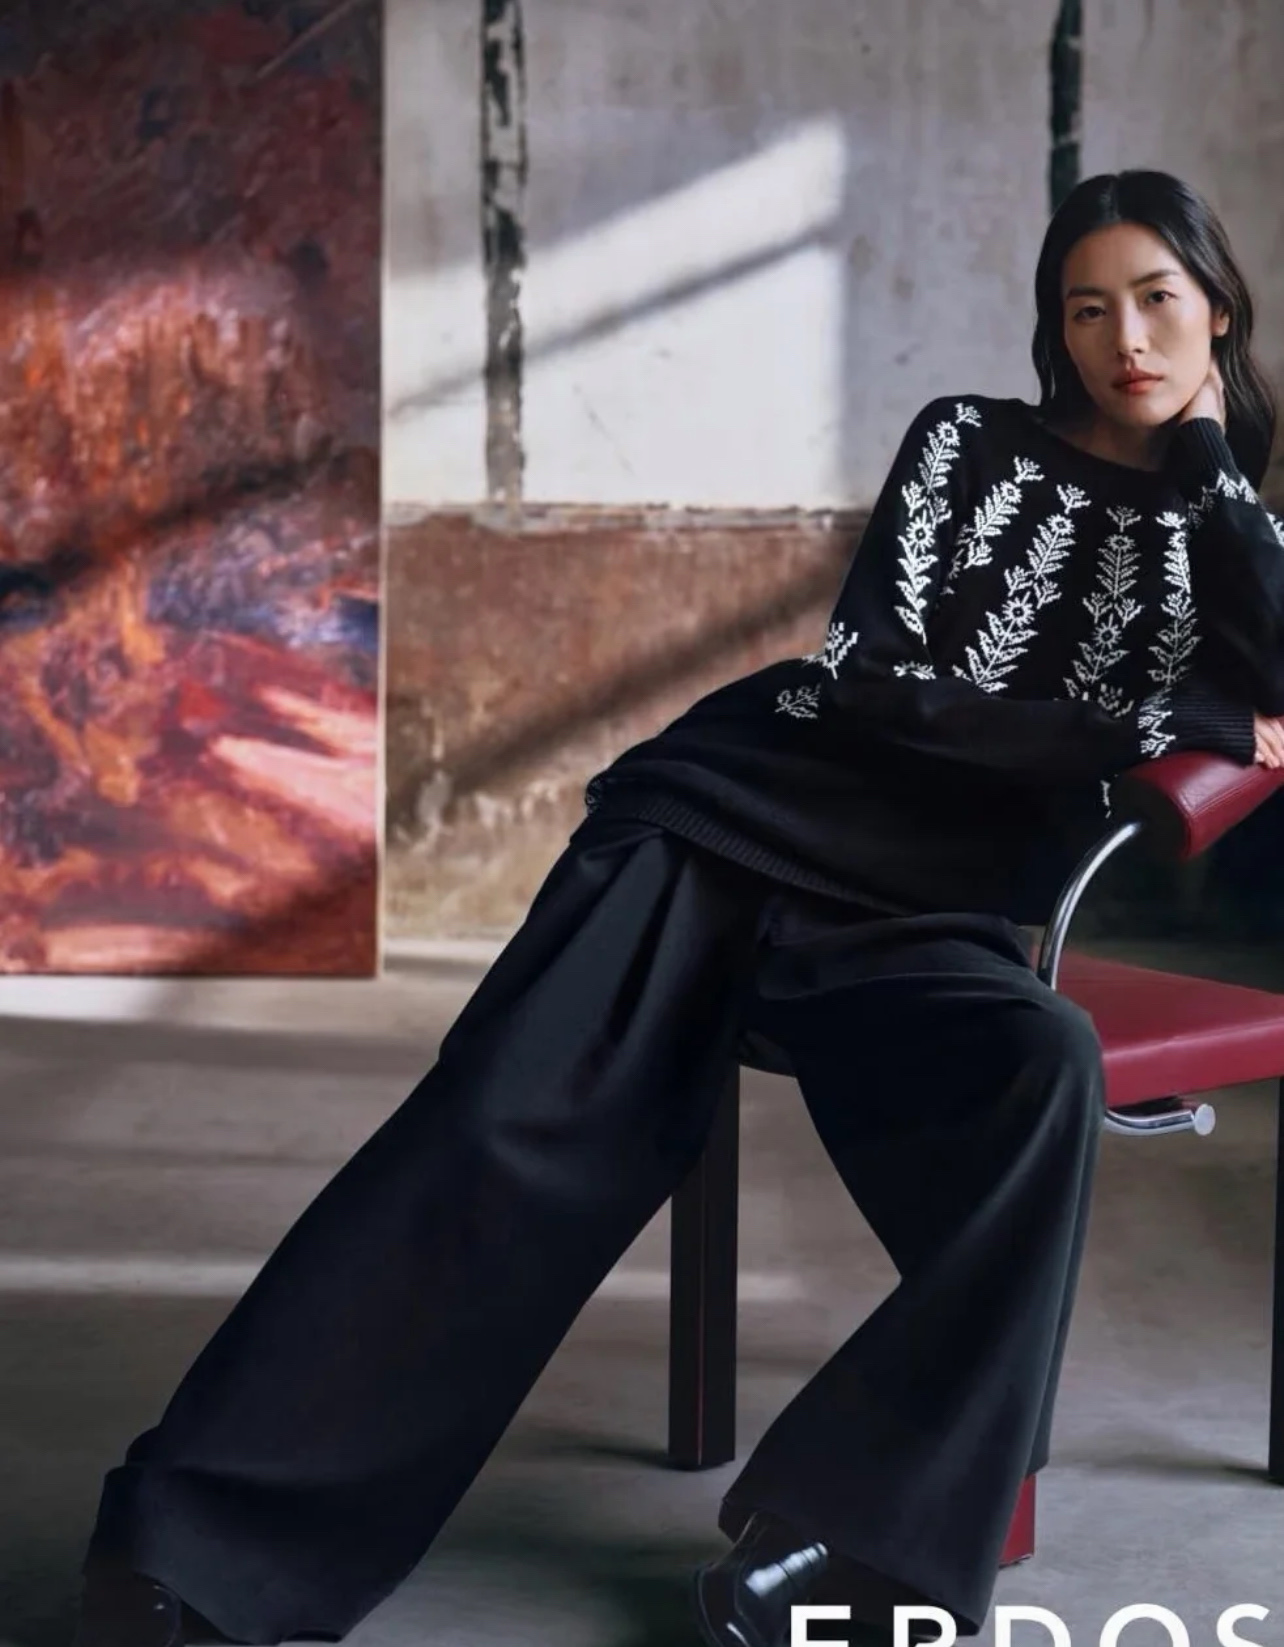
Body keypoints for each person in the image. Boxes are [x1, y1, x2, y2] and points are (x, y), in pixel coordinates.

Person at [74, 168, 1284, 1647]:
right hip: (732, 824)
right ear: (1055, 327)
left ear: (1219, 310)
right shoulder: (969, 441)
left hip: (926, 913)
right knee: (500, 1130)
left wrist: (1210, 460)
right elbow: (876, 683)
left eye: (1158, 300)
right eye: (1087, 309)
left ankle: (845, 1552)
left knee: (1043, 1067)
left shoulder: (1223, 524)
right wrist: (1132, 727)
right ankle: (194, 1544)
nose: (1126, 340)